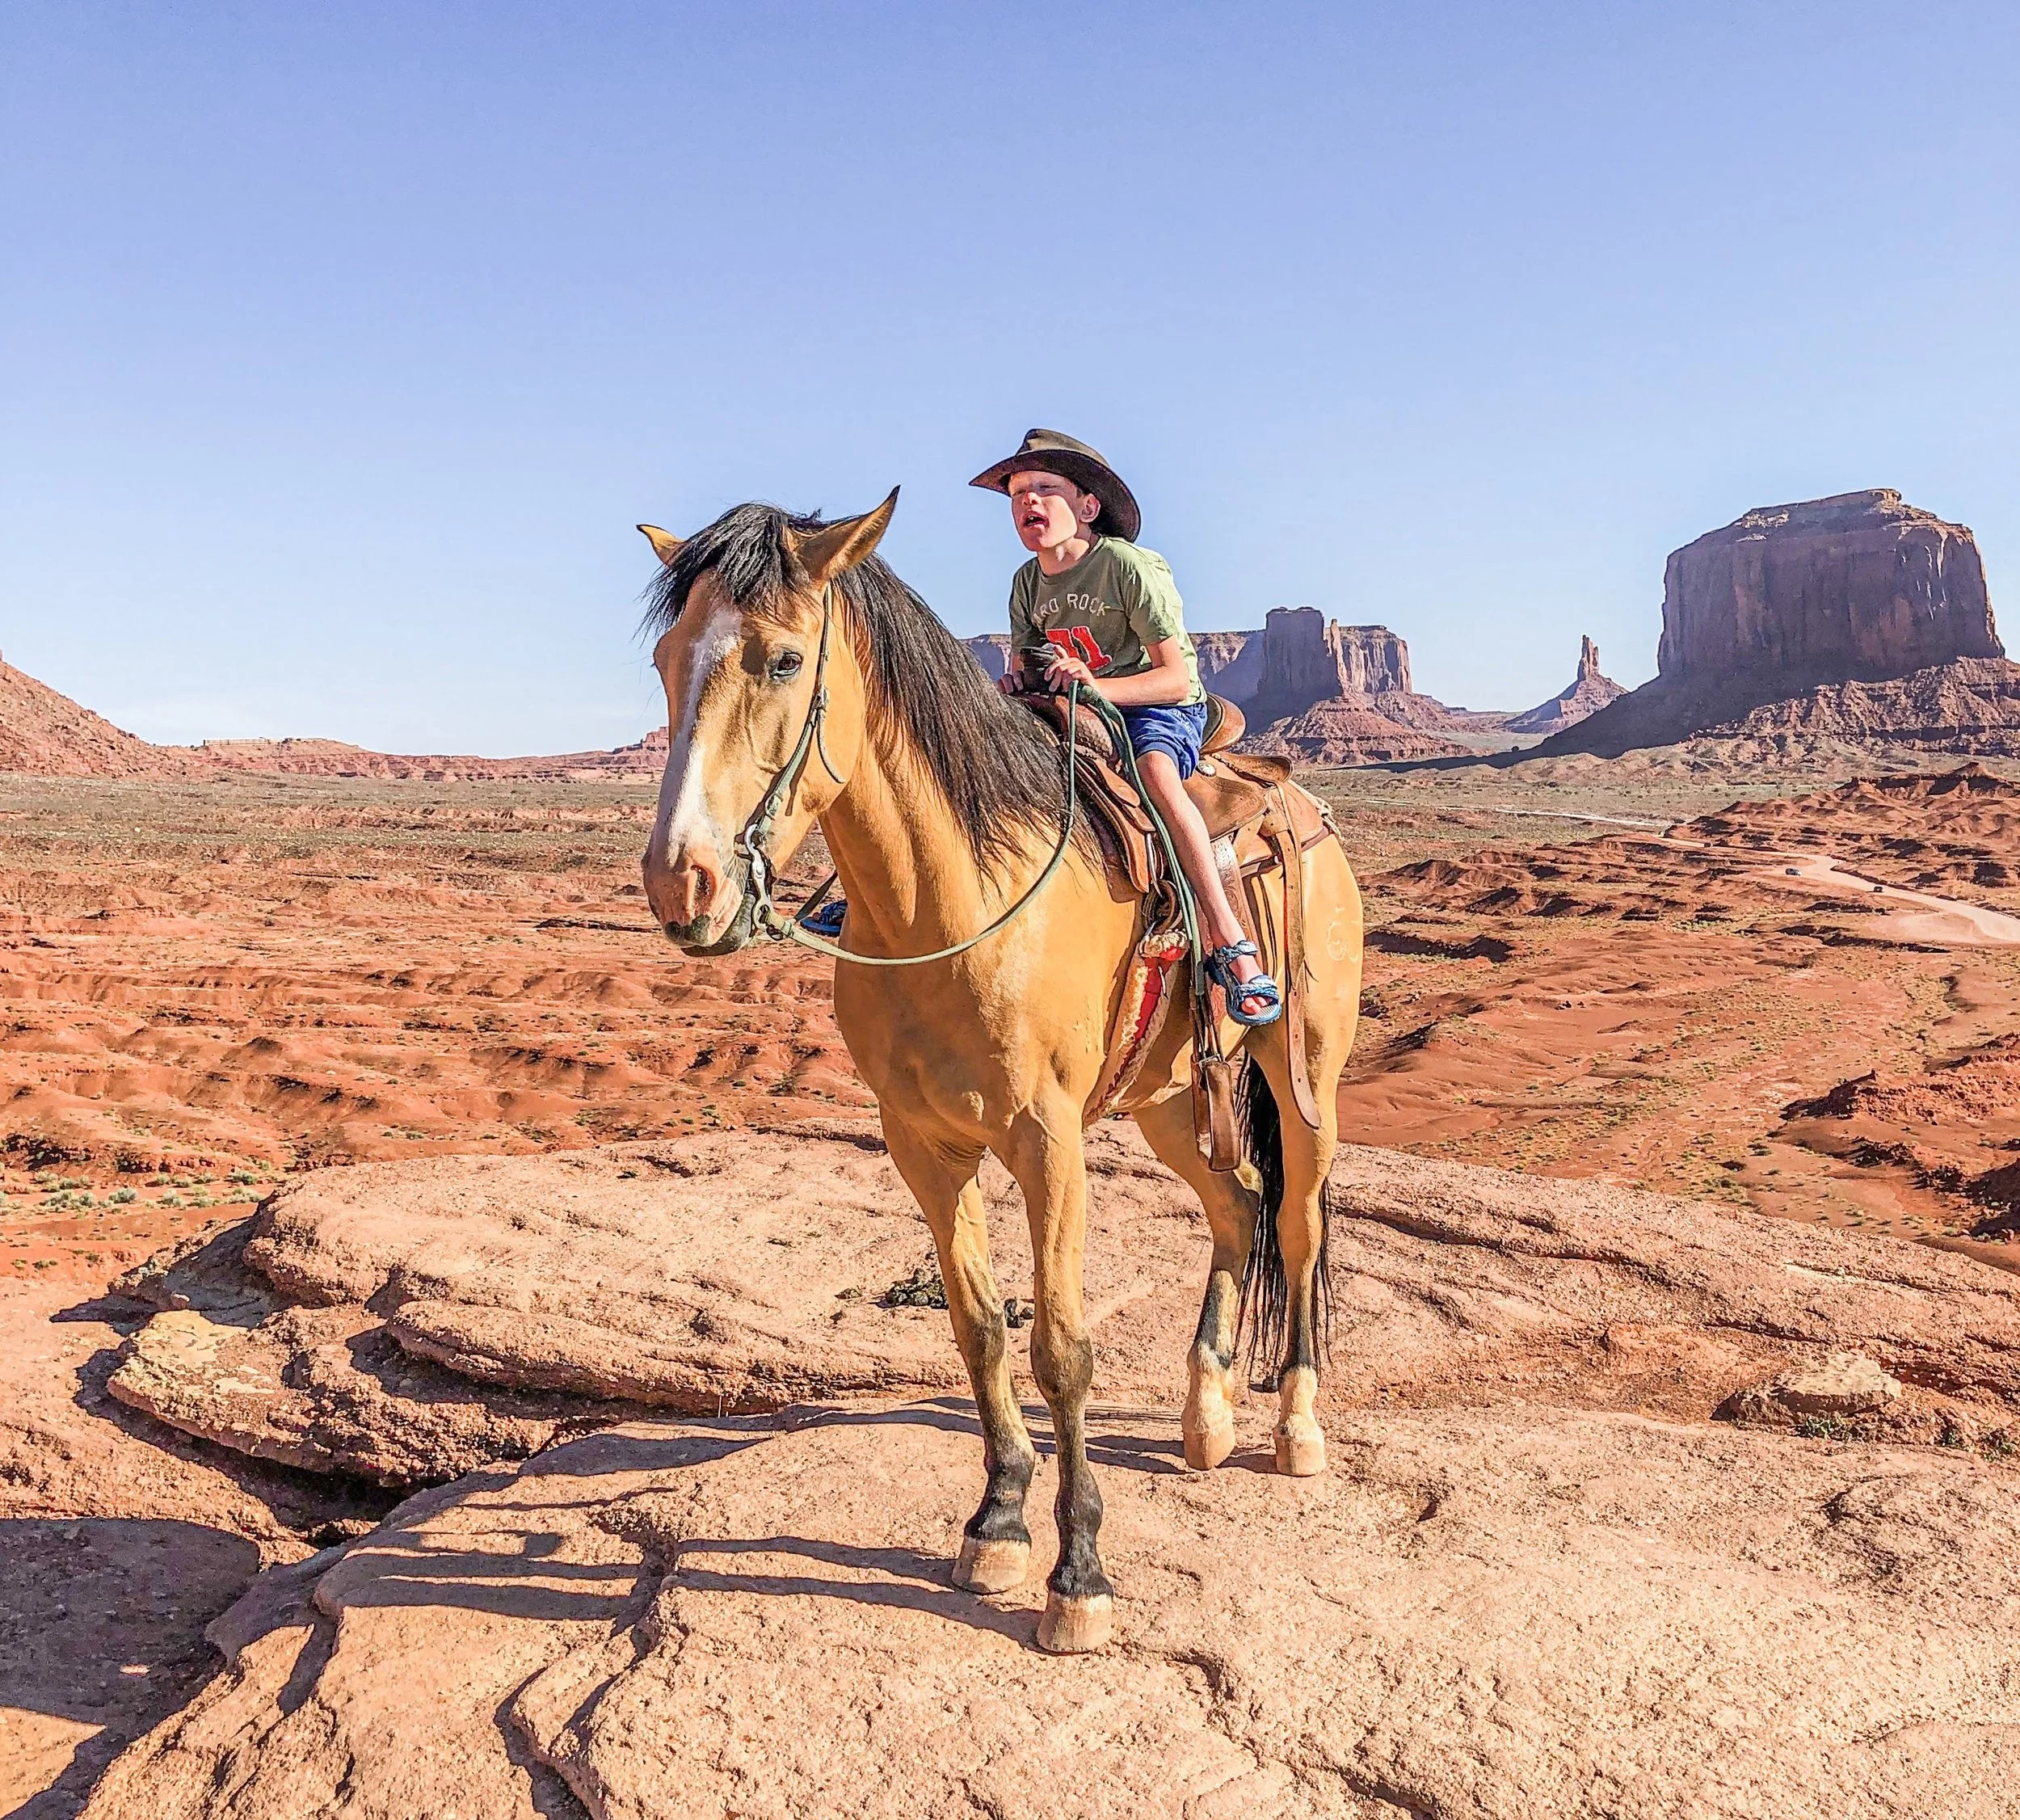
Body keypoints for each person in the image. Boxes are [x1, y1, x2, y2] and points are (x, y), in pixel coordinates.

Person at [969, 429, 1279, 1024]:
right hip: (1080, 705)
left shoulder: (1126, 566)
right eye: (1016, 494)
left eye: (1044, 489)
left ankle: (1229, 940)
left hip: (1154, 705)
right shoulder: (1027, 582)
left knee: (1156, 774)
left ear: (1088, 507)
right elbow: (1026, 667)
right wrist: (1016, 686)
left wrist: (1096, 687)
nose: (1027, 503)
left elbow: (1176, 680)